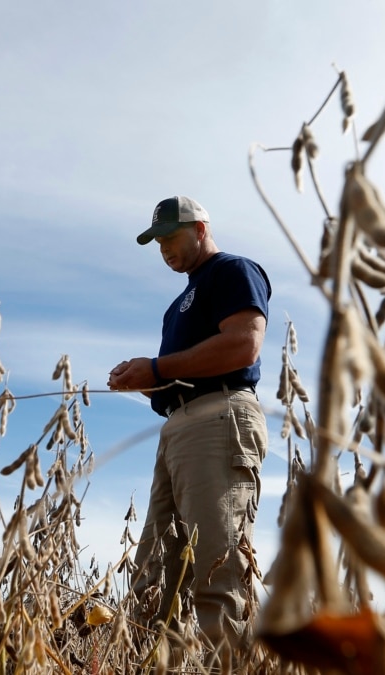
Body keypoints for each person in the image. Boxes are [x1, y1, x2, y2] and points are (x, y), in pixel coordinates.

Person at [107, 195, 270, 666]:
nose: (163, 249)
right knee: (155, 579)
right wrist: (141, 380)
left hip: (220, 419)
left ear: (200, 229)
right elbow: (174, 377)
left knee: (218, 570)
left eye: (171, 237)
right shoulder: (176, 305)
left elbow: (244, 345)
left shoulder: (233, 270)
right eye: (157, 241)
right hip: (177, 428)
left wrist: (155, 368)